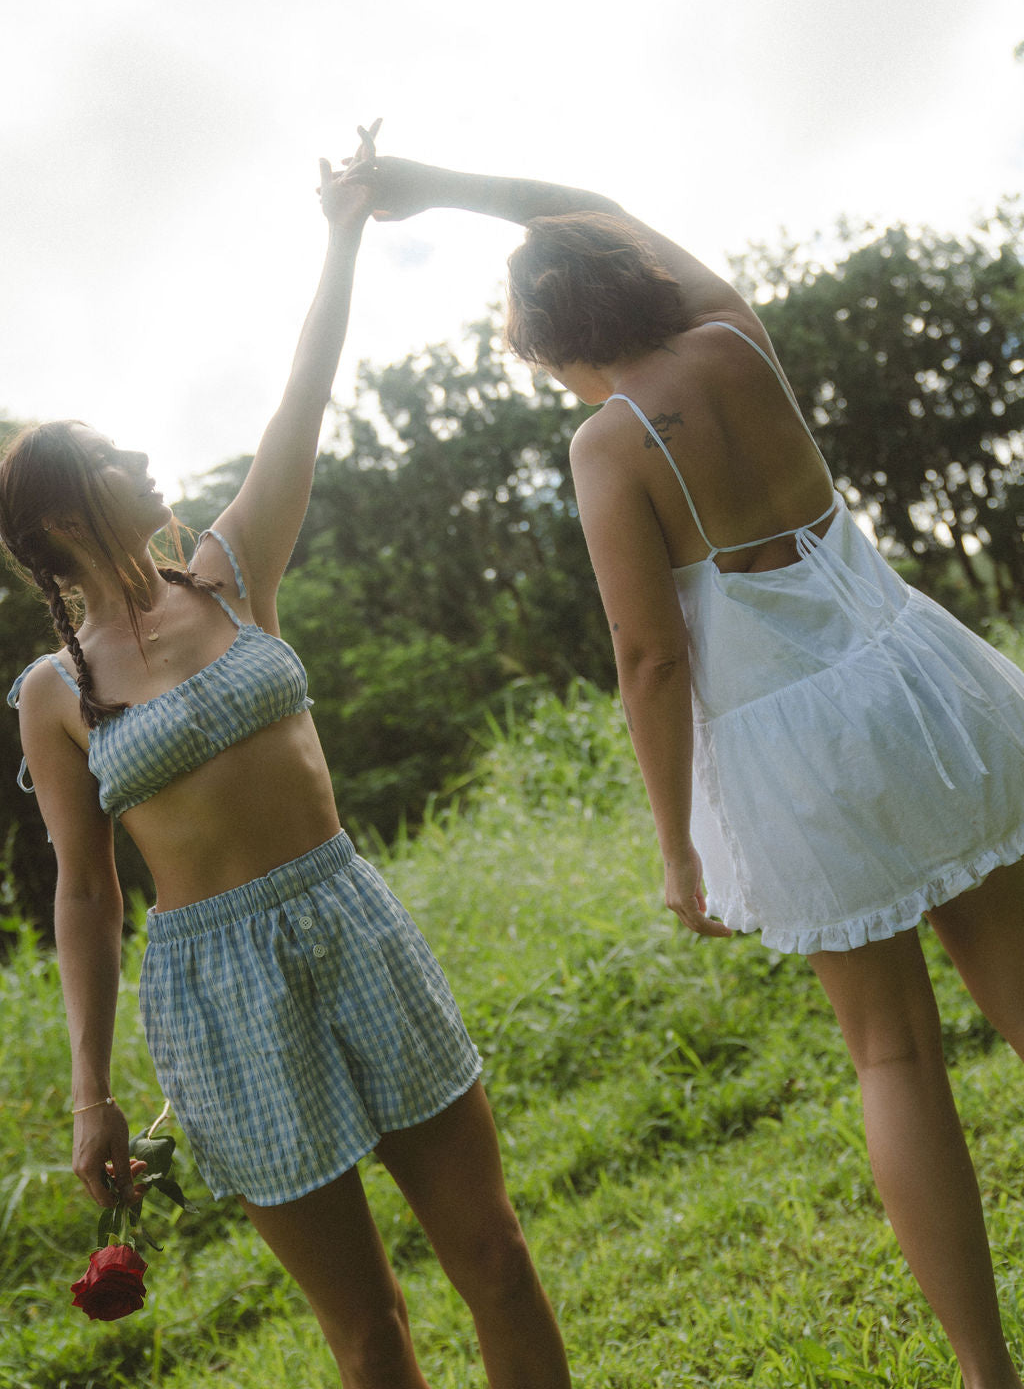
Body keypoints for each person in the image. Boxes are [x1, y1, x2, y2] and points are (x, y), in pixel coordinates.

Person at [344, 149, 1024, 1389]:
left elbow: (648, 656)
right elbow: (585, 201)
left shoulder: (609, 444)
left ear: (551, 343)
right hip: (928, 689)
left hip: (804, 754)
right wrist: (424, 181)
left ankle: (987, 1373)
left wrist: (678, 844)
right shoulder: (736, 338)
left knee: (892, 1056)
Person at [0, 128, 571, 1389]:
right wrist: (90, 1093)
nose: (149, 464)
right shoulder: (54, 694)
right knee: (366, 1332)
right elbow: (86, 898)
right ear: (52, 517)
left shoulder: (232, 566)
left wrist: (345, 231)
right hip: (212, 990)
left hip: (347, 918)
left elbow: (300, 395)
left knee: (497, 1258)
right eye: (113, 459)